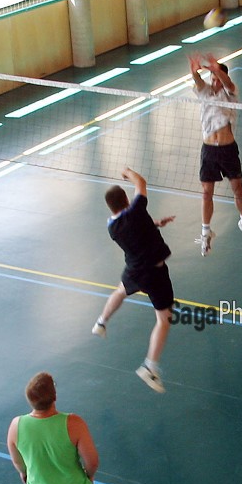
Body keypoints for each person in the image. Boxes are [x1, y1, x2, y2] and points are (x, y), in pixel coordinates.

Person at [91, 168, 176, 392]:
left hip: (135, 269)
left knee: (120, 291)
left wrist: (155, 223)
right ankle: (150, 367)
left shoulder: (112, 226)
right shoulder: (136, 211)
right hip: (154, 273)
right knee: (164, 320)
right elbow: (141, 181)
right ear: (127, 199)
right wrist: (127, 172)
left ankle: (101, 321)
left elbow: (136, 226)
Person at [188, 51, 242, 255]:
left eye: (218, 78)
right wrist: (194, 72)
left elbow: (229, 84)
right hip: (208, 150)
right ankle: (206, 232)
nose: (215, 82)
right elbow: (198, 82)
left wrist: (219, 70)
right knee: (206, 193)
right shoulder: (205, 91)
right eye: (213, 78)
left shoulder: (231, 93)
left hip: (228, 150)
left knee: (238, 190)